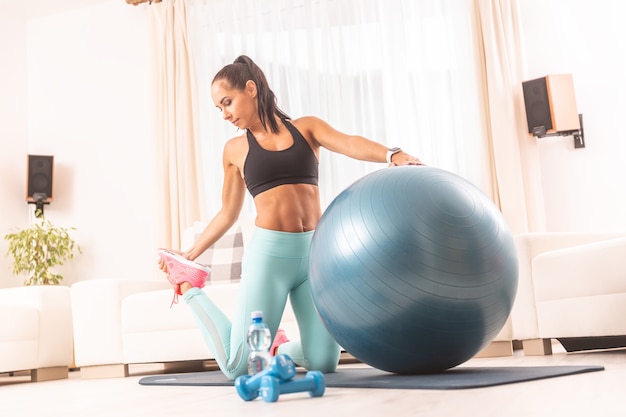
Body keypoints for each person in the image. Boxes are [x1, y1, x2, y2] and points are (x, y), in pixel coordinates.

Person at [158, 55, 424, 380]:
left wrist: (391, 155)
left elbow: (348, 142)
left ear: (251, 89)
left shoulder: (306, 127)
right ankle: (189, 289)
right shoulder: (234, 150)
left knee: (323, 362)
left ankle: (277, 350)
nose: (225, 114)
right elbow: (228, 213)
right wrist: (189, 255)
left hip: (315, 254)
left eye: (227, 102)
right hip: (271, 257)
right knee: (237, 366)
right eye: (219, 108)